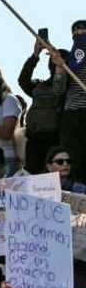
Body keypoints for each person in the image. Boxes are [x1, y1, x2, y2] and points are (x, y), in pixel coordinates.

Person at [19, 37, 69, 175]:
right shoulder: (40, 86)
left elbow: (60, 89)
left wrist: (61, 67)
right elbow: (23, 80)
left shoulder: (70, 86)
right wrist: (35, 55)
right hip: (35, 138)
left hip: (54, 139)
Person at [59, 21, 86, 181]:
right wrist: (60, 69)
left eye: (82, 30)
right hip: (72, 115)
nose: (78, 34)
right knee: (73, 158)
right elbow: (58, 90)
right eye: (74, 31)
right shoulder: (69, 60)